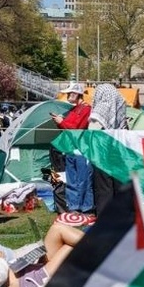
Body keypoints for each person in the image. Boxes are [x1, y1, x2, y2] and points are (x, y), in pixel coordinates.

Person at [53, 83, 94, 224]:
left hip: (81, 149)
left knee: (83, 180)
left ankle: (87, 209)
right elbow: (68, 127)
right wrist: (60, 122)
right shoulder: (75, 109)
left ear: (76, 94)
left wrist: (61, 122)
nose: (67, 96)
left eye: (69, 93)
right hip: (71, 148)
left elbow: (77, 127)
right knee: (72, 180)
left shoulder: (86, 109)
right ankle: (74, 208)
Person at [89, 84, 128, 214]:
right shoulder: (119, 106)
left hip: (103, 152)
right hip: (119, 151)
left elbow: (92, 130)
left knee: (103, 187)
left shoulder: (101, 109)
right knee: (119, 186)